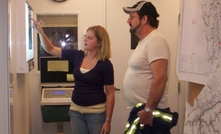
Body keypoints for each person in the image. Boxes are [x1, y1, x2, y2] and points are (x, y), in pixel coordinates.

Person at [32, 19, 115, 134]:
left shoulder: (105, 64)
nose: (85, 39)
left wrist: (108, 120)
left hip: (96, 114)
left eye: (90, 38)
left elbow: (110, 94)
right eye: (86, 36)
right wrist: (40, 32)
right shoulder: (77, 55)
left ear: (100, 42)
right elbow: (50, 49)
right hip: (76, 112)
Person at [122, 0, 171, 131]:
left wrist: (148, 110)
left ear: (144, 19)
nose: (128, 21)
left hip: (150, 114)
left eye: (132, 17)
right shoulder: (144, 42)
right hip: (142, 111)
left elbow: (161, 78)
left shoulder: (155, 40)